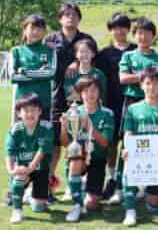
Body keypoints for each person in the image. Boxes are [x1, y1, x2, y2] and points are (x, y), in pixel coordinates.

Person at [44, 3, 97, 201]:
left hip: (82, 100)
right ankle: (48, 184)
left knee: (80, 143)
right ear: (60, 19)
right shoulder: (51, 39)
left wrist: (77, 61)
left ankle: (74, 185)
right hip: (57, 97)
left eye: (74, 15)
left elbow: (93, 63)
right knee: (56, 143)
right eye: (66, 15)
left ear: (79, 18)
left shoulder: (86, 40)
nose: (70, 18)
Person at [111, 17, 158, 204]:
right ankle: (120, 186)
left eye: (147, 33)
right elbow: (123, 78)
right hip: (132, 101)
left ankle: (147, 187)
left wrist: (142, 79)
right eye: (139, 33)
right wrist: (146, 77)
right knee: (127, 145)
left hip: (152, 102)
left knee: (150, 144)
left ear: (153, 36)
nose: (143, 37)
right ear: (134, 35)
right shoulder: (128, 56)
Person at [7, 15, 56, 206]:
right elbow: (13, 76)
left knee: (44, 147)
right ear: (24, 29)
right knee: (19, 145)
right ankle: (15, 189)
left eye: (39, 28)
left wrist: (25, 71)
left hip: (43, 105)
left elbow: (50, 72)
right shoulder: (16, 51)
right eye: (31, 27)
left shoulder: (49, 51)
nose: (35, 31)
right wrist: (37, 72)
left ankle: (43, 189)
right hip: (20, 108)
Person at [121, 67, 158, 226]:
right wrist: (128, 148)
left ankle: (147, 191)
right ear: (141, 85)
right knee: (128, 166)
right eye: (147, 83)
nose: (151, 87)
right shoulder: (133, 109)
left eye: (156, 83)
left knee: (154, 208)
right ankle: (130, 211)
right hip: (137, 155)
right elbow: (128, 133)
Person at [60, 75, 114, 222]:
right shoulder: (74, 112)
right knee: (76, 159)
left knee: (91, 204)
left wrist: (89, 125)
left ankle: (82, 186)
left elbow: (105, 143)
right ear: (79, 93)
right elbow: (65, 143)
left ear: (99, 92)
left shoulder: (107, 114)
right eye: (86, 90)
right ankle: (77, 205)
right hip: (78, 158)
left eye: (94, 90)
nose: (90, 94)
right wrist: (64, 127)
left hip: (97, 158)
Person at [95, 12, 137, 200]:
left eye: (123, 26)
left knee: (132, 143)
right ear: (111, 30)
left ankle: (132, 180)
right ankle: (112, 179)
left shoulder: (137, 49)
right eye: (115, 27)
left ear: (128, 29)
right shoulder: (104, 54)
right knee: (111, 144)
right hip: (111, 103)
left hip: (134, 104)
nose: (119, 30)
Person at [5, 93, 54, 223]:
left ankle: (31, 196)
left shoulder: (46, 127)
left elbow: (42, 150)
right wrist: (12, 171)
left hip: (40, 169)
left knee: (39, 208)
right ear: (19, 113)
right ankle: (17, 211)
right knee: (18, 177)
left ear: (40, 111)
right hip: (22, 168)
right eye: (26, 110)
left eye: (33, 110)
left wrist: (31, 167)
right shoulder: (15, 130)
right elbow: (9, 153)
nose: (30, 114)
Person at [63, 39, 106, 104]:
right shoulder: (70, 73)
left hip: (95, 109)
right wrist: (91, 96)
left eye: (87, 52)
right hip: (75, 110)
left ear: (93, 54)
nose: (84, 54)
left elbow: (102, 97)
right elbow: (70, 96)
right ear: (76, 55)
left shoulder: (99, 74)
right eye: (81, 52)